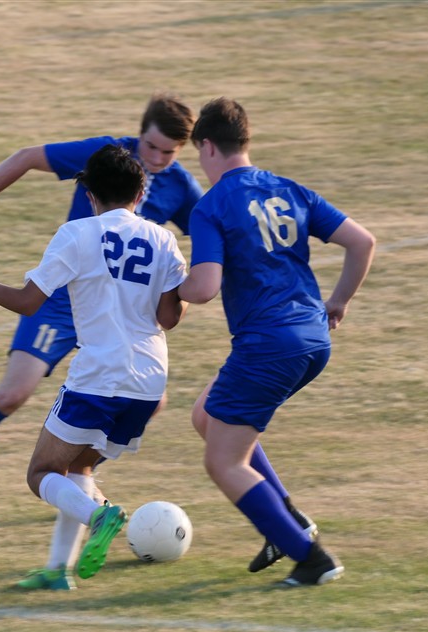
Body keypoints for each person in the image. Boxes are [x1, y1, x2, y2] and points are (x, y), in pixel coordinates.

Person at [0, 94, 203, 512]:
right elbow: (27, 157)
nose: (158, 159)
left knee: (150, 401)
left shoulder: (181, 186)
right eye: (152, 147)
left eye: (169, 152)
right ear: (139, 134)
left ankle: (80, 484)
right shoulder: (105, 156)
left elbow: (212, 230)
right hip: (62, 298)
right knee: (12, 394)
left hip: (117, 310)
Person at [0, 145, 188, 587]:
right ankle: (58, 571)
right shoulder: (163, 239)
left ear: (90, 195)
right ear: (140, 193)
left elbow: (28, 303)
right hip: (149, 383)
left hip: (98, 378)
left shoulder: (77, 234)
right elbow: (169, 317)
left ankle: (99, 516)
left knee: (41, 474)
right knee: (78, 469)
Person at [178, 97, 376, 587]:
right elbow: (362, 242)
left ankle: (310, 557)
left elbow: (203, 288)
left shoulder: (212, 206)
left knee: (223, 461)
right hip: (312, 338)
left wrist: (163, 286)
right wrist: (338, 302)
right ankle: (288, 518)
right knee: (206, 415)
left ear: (207, 146)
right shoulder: (290, 189)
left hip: (267, 345)